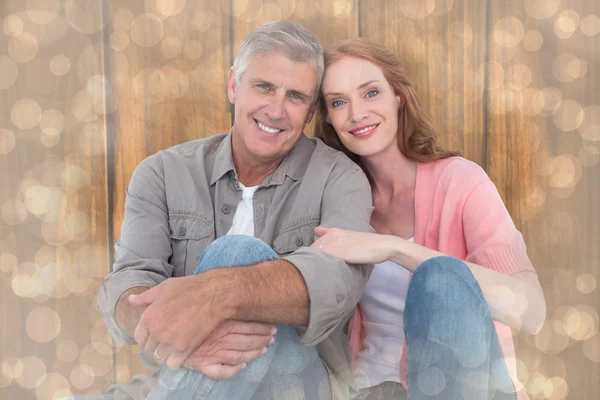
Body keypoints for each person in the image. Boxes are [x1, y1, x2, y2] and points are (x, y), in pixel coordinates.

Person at [91, 22, 374, 400]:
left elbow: (336, 284)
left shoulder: (341, 179)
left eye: (295, 96)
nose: (275, 110)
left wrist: (217, 293)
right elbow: (127, 284)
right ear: (233, 85)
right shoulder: (163, 172)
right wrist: (191, 340)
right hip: (186, 370)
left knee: (237, 255)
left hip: (302, 381)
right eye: (264, 87)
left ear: (309, 112)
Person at [312, 38, 547, 400]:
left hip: (468, 388)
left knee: (440, 277)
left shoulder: (461, 181)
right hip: (368, 390)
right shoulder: (332, 201)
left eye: (371, 93)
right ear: (328, 117)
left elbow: (531, 313)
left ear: (398, 97)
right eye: (339, 102)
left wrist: (393, 249)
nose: (357, 113)